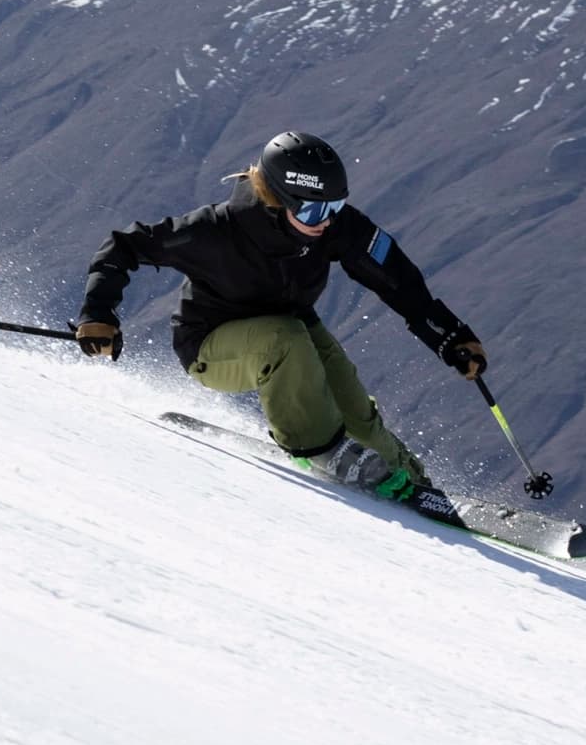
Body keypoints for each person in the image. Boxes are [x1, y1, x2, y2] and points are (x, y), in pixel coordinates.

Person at [72, 130, 486, 497]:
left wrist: (448, 335)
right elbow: (124, 246)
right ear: (279, 201)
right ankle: (318, 449)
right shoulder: (215, 231)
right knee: (283, 339)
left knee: (356, 411)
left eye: (334, 206)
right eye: (312, 211)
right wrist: (98, 313)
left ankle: (410, 479)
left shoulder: (332, 224)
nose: (325, 221)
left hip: (292, 330)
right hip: (211, 345)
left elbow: (394, 277)